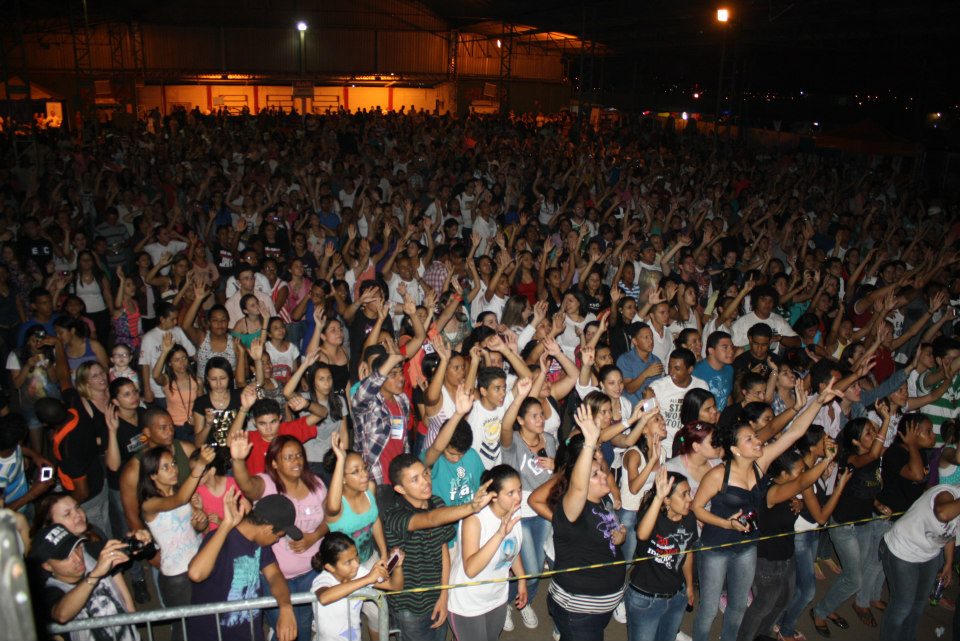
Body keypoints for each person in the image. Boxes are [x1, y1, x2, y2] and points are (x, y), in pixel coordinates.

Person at [691, 378, 841, 641]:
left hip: (747, 547)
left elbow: (794, 433)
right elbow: (697, 508)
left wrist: (817, 402)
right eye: (750, 439)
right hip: (716, 548)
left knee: (738, 607)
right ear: (736, 450)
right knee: (708, 610)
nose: (758, 441)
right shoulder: (717, 476)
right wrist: (727, 524)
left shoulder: (760, 464)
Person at [382, 453, 493, 641]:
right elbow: (430, 519)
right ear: (400, 489)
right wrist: (471, 507)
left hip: (437, 597)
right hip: (410, 607)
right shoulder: (395, 516)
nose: (425, 481)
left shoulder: (437, 502)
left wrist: (444, 593)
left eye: (425, 474)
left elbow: (444, 551)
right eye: (415, 480)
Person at [230, 432, 328, 641]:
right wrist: (238, 461)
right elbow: (247, 485)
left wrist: (314, 536)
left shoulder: (316, 484)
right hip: (275, 576)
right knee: (286, 628)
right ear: (274, 463)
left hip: (311, 572)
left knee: (302, 625)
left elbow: (330, 517)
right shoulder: (267, 485)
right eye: (288, 457)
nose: (296, 461)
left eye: (299, 455)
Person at [546, 404, 627, 641]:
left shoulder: (602, 502)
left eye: (601, 471)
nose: (604, 475)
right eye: (595, 474)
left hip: (598, 608)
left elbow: (608, 533)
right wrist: (590, 441)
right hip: (578, 610)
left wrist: (620, 534)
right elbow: (579, 486)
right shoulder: (571, 509)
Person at [187, 488, 300, 641]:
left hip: (249, 633)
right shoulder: (220, 538)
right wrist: (226, 525)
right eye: (279, 536)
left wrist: (286, 607)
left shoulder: (260, 543)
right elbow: (196, 574)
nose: (277, 540)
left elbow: (274, 575)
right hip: (213, 635)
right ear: (267, 529)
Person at [137, 445, 215, 640]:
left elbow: (197, 528)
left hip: (200, 563)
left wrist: (200, 518)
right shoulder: (150, 504)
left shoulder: (182, 492)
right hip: (177, 576)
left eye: (173, 463)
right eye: (165, 467)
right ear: (152, 476)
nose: (174, 469)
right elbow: (179, 500)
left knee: (206, 622)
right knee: (184, 629)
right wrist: (199, 466)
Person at [447, 464, 527, 641]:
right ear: (494, 497)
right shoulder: (474, 520)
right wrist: (500, 533)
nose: (518, 497)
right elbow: (471, 569)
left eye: (519, 490)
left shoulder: (513, 511)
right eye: (511, 493)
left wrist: (521, 578)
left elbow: (512, 549)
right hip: (467, 601)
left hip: (496, 597)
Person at [30, 524, 140, 641]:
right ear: (47, 565)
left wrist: (138, 539)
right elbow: (61, 615)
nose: (77, 558)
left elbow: (129, 546)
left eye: (76, 548)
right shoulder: (47, 590)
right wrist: (95, 575)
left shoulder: (91, 553)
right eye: (66, 557)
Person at [879, 483, 960, 641]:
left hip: (928, 555)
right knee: (902, 606)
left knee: (918, 605)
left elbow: (950, 531)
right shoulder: (947, 492)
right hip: (902, 550)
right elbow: (943, 513)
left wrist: (948, 563)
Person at [625, 467, 697, 641]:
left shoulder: (689, 518)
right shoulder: (652, 516)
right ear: (667, 500)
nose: (690, 499)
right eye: (684, 494)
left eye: (689, 493)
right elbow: (642, 535)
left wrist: (688, 585)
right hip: (646, 598)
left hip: (676, 596)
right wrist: (658, 497)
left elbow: (686, 553)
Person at [311, 532, 404, 641]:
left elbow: (395, 586)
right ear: (330, 567)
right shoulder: (324, 579)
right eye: (348, 562)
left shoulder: (358, 572)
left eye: (356, 557)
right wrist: (368, 578)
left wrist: (398, 566)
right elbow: (324, 597)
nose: (356, 564)